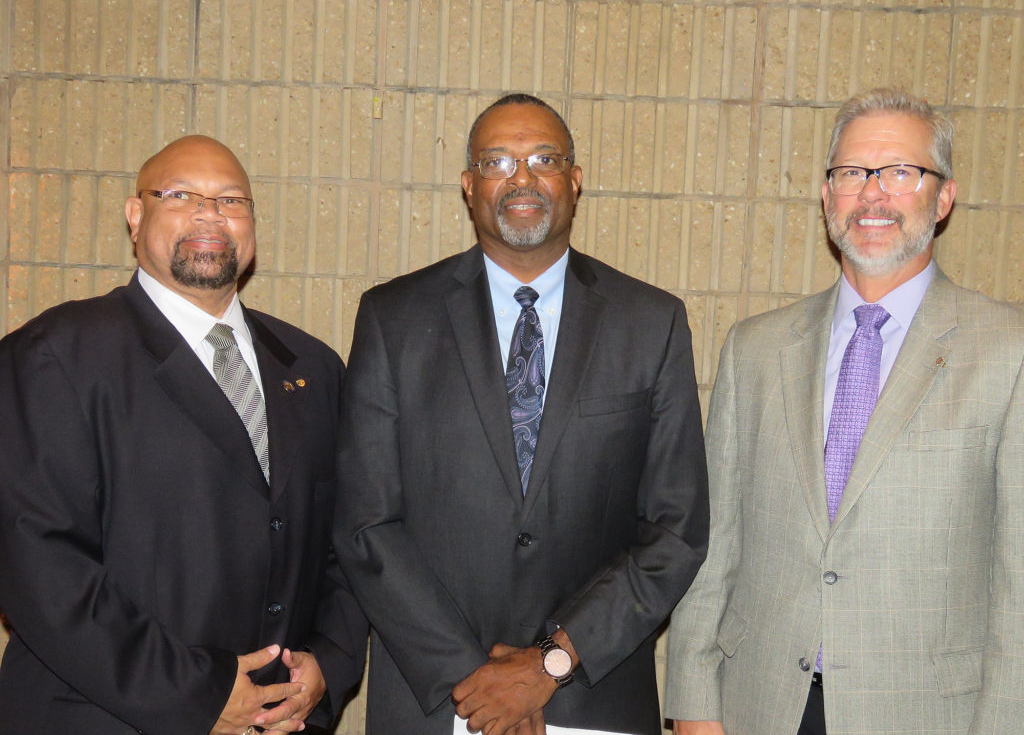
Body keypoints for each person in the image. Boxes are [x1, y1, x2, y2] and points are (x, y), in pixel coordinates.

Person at [333, 93, 709, 735]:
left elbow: (676, 529)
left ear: (575, 180)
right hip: (436, 700)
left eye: (544, 158)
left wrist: (549, 665)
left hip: (592, 696)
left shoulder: (651, 323)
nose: (522, 178)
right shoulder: (393, 318)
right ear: (469, 185)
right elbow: (366, 524)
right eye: (498, 161)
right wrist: (476, 683)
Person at [663, 87, 1024, 734]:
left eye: (900, 172)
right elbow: (713, 550)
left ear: (943, 198)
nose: (873, 194)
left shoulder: (1009, 351)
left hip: (923, 715)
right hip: (759, 705)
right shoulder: (756, 348)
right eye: (852, 173)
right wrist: (693, 706)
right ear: (827, 195)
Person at [0, 135, 366, 734]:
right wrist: (198, 693)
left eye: (230, 200)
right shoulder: (53, 356)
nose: (209, 214)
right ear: (135, 216)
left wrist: (328, 661)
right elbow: (40, 566)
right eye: (180, 195)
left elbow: (350, 543)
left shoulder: (312, 366)